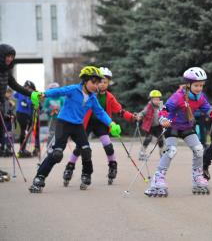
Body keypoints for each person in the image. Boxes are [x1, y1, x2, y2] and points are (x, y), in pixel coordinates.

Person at [28, 66, 122, 193]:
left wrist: (111, 124)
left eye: (98, 83)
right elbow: (59, 91)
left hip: (78, 126)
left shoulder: (93, 98)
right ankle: (39, 178)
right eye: (93, 82)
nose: (96, 86)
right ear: (85, 81)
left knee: (86, 150)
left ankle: (86, 174)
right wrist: (43, 94)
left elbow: (100, 112)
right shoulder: (73, 89)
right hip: (64, 123)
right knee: (57, 153)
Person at [144, 67, 212, 197]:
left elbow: (209, 110)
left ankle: (197, 177)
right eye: (196, 85)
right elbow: (165, 109)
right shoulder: (178, 96)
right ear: (188, 84)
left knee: (199, 149)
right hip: (172, 126)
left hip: (186, 127)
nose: (199, 88)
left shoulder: (200, 97)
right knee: (171, 150)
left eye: (201, 85)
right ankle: (158, 178)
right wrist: (162, 119)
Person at [63, 67, 135, 185]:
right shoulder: (89, 94)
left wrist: (132, 117)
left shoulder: (109, 97)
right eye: (100, 82)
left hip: (101, 125)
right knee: (80, 148)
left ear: (108, 83)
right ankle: (69, 168)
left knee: (108, 146)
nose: (102, 85)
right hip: (86, 124)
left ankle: (112, 166)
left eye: (105, 82)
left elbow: (120, 111)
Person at [0, 44, 37, 182]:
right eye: (7, 56)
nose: (10, 59)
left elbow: (15, 86)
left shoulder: (6, 71)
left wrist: (32, 93)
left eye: (12, 57)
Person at [15, 80, 40, 157]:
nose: (30, 91)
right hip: (22, 113)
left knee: (25, 131)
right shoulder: (22, 92)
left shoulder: (28, 94)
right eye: (29, 88)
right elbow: (23, 101)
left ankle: (23, 149)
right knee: (24, 131)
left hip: (26, 114)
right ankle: (22, 150)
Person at [137, 90, 164, 161]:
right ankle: (142, 152)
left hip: (158, 126)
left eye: (158, 99)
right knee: (148, 138)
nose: (157, 101)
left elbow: (165, 113)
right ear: (151, 100)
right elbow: (143, 112)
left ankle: (162, 153)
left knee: (161, 139)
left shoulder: (161, 105)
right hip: (150, 126)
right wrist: (139, 116)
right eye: (155, 99)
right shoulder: (149, 106)